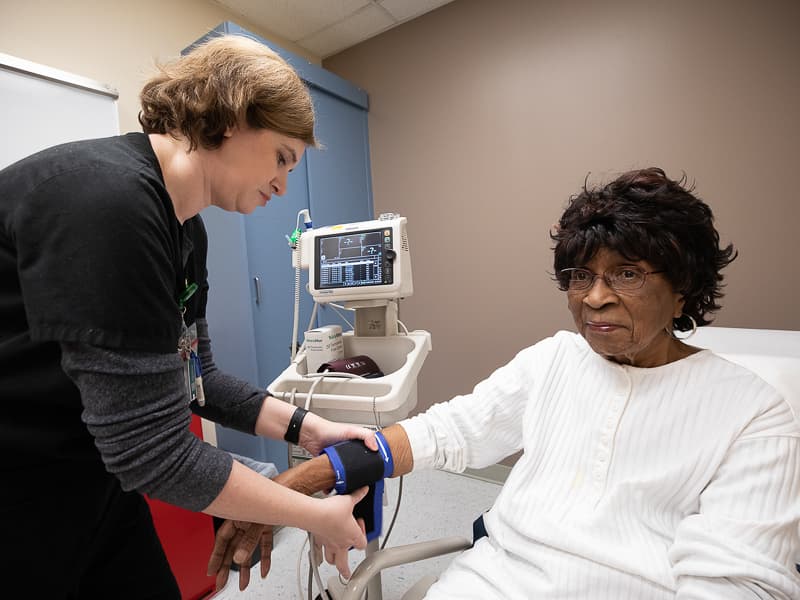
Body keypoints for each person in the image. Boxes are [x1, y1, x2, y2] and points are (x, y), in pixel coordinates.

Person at [210, 168, 800, 598]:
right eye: (581, 275)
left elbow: (738, 585)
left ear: (683, 284)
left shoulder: (752, 413)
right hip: (491, 581)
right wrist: (288, 492)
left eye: (626, 273)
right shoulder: (555, 360)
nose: (595, 297)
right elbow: (445, 432)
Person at [0, 34, 376, 599]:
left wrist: (308, 427)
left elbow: (195, 380)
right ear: (231, 115)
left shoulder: (184, 231)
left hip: (91, 474)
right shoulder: (108, 203)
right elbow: (151, 450)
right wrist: (310, 513)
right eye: (281, 156)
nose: (282, 182)